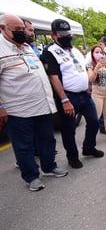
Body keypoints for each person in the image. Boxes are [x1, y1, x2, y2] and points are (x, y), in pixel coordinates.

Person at [0, 13, 68, 191]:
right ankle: (31, 176)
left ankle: (49, 167)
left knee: (47, 140)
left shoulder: (27, 47)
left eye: (23, 29)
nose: (22, 32)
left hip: (42, 105)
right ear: (2, 29)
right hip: (18, 110)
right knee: (24, 146)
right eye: (18, 30)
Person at [41, 19, 104, 169]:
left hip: (84, 95)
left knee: (94, 122)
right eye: (63, 34)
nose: (67, 37)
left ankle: (88, 148)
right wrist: (64, 100)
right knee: (69, 130)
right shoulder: (50, 52)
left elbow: (84, 68)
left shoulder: (75, 50)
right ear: (53, 35)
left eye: (68, 34)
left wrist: (88, 82)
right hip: (69, 97)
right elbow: (53, 77)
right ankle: (72, 157)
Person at [86, 36, 106, 134]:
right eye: (96, 52)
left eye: (100, 52)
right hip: (97, 91)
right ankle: (91, 137)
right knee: (96, 115)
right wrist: (97, 68)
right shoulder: (91, 63)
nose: (99, 54)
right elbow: (90, 79)